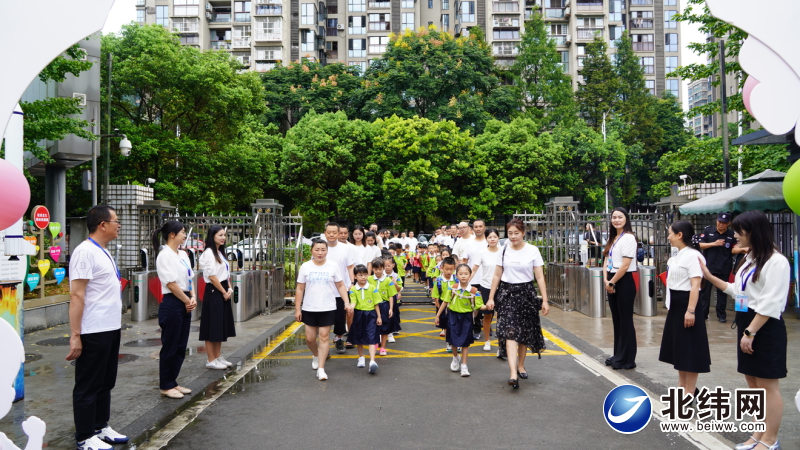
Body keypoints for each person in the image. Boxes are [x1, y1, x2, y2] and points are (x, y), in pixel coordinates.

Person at [699, 211, 789, 450]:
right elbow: (738, 292)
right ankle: (758, 434)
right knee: (753, 383)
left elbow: (770, 303)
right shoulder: (750, 259)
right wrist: (708, 276)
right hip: (747, 322)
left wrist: (751, 332)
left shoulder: (776, 261)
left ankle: (771, 440)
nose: (735, 235)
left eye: (740, 231)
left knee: (768, 386)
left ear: (754, 232)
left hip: (764, 327)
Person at [67, 205, 129, 449]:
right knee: (88, 384)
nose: (119, 225)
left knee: (106, 381)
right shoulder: (85, 252)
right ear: (102, 225)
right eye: (116, 220)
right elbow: (76, 296)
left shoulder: (102, 250)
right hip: (93, 330)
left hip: (110, 327)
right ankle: (84, 437)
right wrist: (75, 335)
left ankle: (100, 426)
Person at [486, 218, 549, 389]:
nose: (513, 237)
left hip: (526, 294)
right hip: (506, 294)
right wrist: (491, 297)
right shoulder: (503, 249)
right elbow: (497, 275)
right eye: (510, 233)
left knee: (524, 332)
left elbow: (540, 276)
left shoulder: (533, 250)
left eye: (516, 233)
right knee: (510, 332)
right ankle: (513, 373)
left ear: (523, 233)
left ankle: (521, 365)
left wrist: (544, 299)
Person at [658, 220, 710, 398]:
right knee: (679, 348)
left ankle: (690, 389)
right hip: (676, 305)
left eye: (671, 233)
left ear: (680, 235)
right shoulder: (678, 255)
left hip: (687, 303)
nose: (668, 237)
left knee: (691, 349)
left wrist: (691, 310)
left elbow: (695, 285)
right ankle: (681, 384)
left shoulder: (693, 256)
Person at [295, 239, 352, 381]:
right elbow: (300, 289)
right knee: (309, 339)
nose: (320, 253)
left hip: (327, 307)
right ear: (311, 251)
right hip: (309, 307)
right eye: (317, 250)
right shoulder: (305, 267)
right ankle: (316, 354)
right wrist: (298, 309)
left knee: (324, 337)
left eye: (323, 250)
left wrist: (346, 302)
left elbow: (340, 285)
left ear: (327, 251)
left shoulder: (332, 266)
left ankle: (321, 369)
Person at [154, 221, 198, 399]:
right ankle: (165, 385)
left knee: (181, 345)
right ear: (172, 234)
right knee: (170, 346)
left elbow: (190, 277)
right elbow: (171, 284)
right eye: (182, 232)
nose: (185, 235)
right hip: (173, 302)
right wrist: (187, 300)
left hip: (185, 299)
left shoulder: (182, 254)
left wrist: (193, 297)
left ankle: (173, 381)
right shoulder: (164, 256)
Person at [602, 207, 638, 370]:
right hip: (611, 279)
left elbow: (625, 265)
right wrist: (605, 279)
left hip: (623, 281)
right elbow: (606, 260)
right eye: (614, 217)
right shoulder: (614, 238)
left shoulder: (629, 238)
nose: (616, 220)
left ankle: (628, 359)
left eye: (620, 217)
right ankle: (618, 354)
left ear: (626, 219)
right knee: (617, 320)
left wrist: (612, 282)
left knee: (625, 320)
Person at [435, 264, 486, 377]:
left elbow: (480, 306)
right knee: (453, 340)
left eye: (466, 274)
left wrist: (488, 306)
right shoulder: (452, 288)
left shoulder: (473, 291)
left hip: (466, 317)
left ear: (470, 275)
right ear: (456, 275)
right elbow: (445, 302)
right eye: (461, 274)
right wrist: (438, 315)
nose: (463, 276)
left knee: (465, 342)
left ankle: (464, 365)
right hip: (453, 316)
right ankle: (455, 357)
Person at [198, 226, 236, 370]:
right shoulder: (209, 253)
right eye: (220, 235)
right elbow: (213, 277)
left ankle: (218, 356)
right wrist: (224, 292)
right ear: (212, 236)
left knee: (219, 325)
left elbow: (225, 274)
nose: (223, 238)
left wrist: (229, 288)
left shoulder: (220, 253)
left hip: (222, 289)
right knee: (211, 325)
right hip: (215, 291)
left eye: (224, 235)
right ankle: (210, 359)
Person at [698, 212, 747, 323]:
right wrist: (714, 244)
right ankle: (703, 314)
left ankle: (721, 315)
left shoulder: (732, 235)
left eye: (724, 223)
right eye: (720, 222)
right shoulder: (708, 231)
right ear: (716, 221)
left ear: (728, 224)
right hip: (708, 266)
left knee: (723, 292)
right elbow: (699, 245)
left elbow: (735, 249)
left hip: (724, 266)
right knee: (705, 292)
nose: (721, 224)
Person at [324, 222, 356, 354]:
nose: (331, 234)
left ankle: (338, 338)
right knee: (324, 317)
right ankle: (323, 344)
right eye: (329, 232)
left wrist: (352, 283)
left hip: (341, 289)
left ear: (338, 233)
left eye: (334, 232)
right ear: (325, 233)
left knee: (339, 317)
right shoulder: (321, 247)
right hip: (324, 289)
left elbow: (350, 267)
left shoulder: (346, 248)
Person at [349, 264, 382, 374]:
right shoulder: (353, 289)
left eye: (365, 275)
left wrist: (379, 316)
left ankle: (372, 361)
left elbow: (376, 303)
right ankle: (361, 357)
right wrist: (350, 308)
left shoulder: (372, 288)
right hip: (359, 314)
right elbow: (353, 302)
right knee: (359, 335)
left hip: (371, 314)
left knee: (371, 336)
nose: (363, 277)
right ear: (355, 276)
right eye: (360, 275)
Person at [472, 227, 501, 352]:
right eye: (490, 237)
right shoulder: (482, 253)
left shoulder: (503, 252)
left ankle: (502, 343)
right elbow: (474, 269)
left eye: (495, 237)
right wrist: (465, 284)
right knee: (487, 317)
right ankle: (487, 341)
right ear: (486, 238)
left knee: (501, 317)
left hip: (502, 288)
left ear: (498, 238)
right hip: (486, 287)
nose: (492, 239)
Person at [370, 257, 396, 356]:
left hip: (384, 305)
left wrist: (390, 308)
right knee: (373, 326)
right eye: (376, 269)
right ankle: (376, 344)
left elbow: (391, 296)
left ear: (383, 269)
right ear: (372, 269)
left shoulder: (387, 280)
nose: (378, 271)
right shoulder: (369, 279)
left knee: (385, 327)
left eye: (380, 269)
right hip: (372, 306)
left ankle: (383, 347)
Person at [432, 257, 458, 351]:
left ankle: (456, 343)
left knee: (455, 325)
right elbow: (436, 295)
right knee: (446, 326)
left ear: (454, 268)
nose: (449, 271)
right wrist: (437, 305)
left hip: (455, 306)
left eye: (451, 269)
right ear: (442, 268)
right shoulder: (438, 280)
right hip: (443, 306)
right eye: (447, 269)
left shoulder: (456, 279)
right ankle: (448, 343)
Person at [384, 256, 403, 342]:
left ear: (393, 265)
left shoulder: (396, 276)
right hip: (383, 299)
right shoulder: (381, 275)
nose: (387, 267)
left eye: (389, 265)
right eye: (385, 265)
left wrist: (395, 283)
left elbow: (399, 288)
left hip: (393, 299)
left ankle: (390, 334)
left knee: (392, 315)